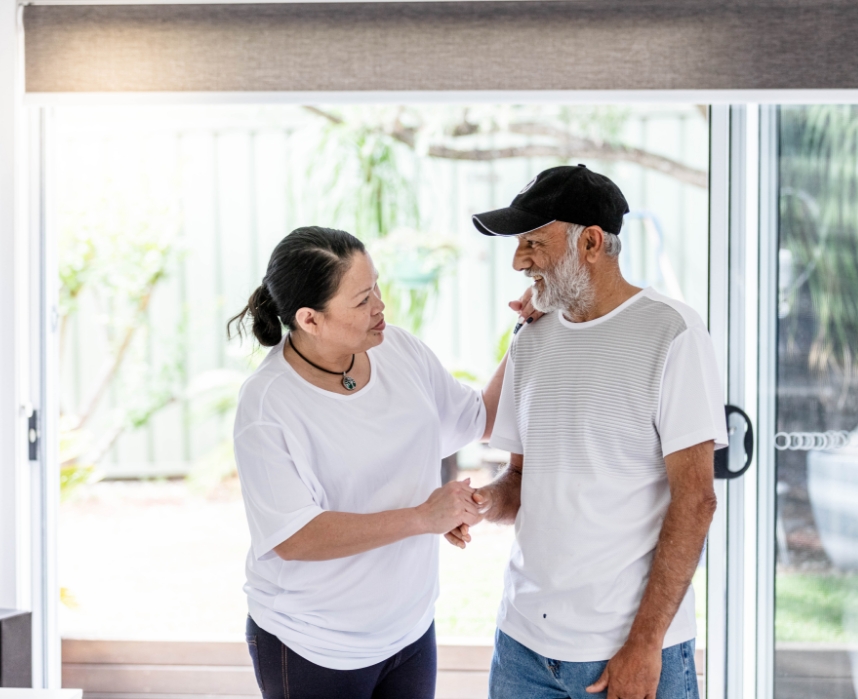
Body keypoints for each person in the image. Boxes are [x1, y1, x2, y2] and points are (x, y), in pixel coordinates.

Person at [453, 165, 729, 699]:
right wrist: (484, 502)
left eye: (532, 242)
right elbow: (521, 478)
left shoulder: (673, 333)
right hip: (522, 648)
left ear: (592, 243)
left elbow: (696, 501)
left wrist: (646, 644)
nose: (518, 260)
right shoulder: (531, 339)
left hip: (626, 650)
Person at [228, 226, 506, 699]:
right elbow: (296, 537)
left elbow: (478, 416)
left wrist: (529, 333)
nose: (380, 306)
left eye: (376, 286)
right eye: (361, 300)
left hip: (410, 628)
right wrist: (423, 518)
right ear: (310, 320)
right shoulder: (268, 404)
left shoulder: (399, 349)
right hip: (314, 644)